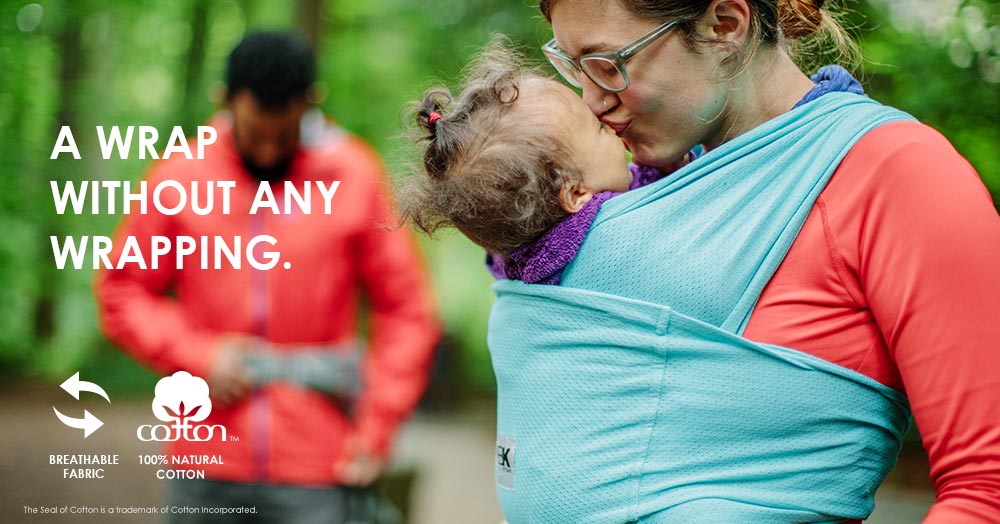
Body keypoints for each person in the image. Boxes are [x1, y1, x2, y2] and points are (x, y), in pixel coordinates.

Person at [485, 0, 1000, 522]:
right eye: (574, 66)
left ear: (725, 26)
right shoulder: (635, 198)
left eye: (609, 64)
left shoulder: (897, 175)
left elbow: (987, 488)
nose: (590, 101)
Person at [95, 31, 441, 523]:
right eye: (253, 135)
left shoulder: (354, 175)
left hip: (319, 466)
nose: (266, 152)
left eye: (284, 136)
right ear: (223, 101)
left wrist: (377, 425)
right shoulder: (179, 176)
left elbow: (406, 307)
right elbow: (122, 290)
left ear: (310, 104)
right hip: (203, 458)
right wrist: (200, 355)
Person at [401, 43, 672, 285]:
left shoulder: (520, 264)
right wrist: (665, 168)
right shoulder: (615, 240)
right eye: (599, 128)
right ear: (576, 193)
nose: (612, 129)